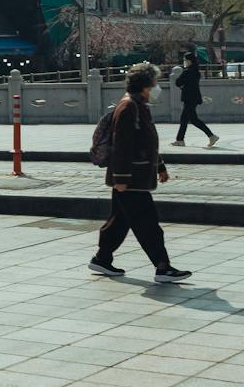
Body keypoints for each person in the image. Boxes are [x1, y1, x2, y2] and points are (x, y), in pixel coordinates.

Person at [93, 62, 192, 283]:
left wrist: (160, 166)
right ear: (145, 85)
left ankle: (102, 258)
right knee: (147, 223)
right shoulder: (129, 107)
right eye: (155, 82)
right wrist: (121, 179)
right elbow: (123, 145)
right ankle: (162, 266)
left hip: (134, 177)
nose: (157, 86)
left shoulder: (139, 106)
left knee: (119, 221)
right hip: (131, 179)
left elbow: (147, 143)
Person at [172, 52, 218, 147]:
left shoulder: (187, 71)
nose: (184, 62)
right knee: (190, 119)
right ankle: (180, 140)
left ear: (189, 61)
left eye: (185, 60)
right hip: (194, 98)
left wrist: (182, 84)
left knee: (188, 119)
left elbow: (177, 82)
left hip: (189, 98)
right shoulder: (196, 71)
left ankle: (211, 136)